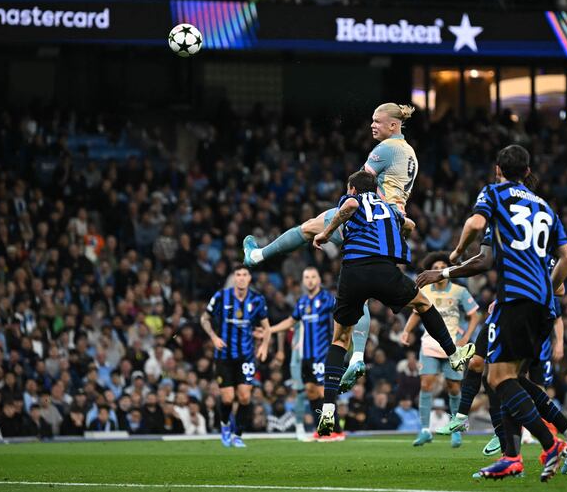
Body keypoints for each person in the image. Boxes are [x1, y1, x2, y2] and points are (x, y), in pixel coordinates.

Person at [243, 103, 420, 393]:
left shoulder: (386, 149)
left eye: (377, 121)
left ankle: (256, 256)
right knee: (361, 292)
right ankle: (359, 356)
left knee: (310, 227)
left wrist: (334, 225)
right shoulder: (410, 153)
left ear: (393, 126)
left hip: (370, 219)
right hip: (392, 229)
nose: (372, 126)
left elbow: (360, 186)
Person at [445, 145, 567, 481]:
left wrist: (458, 250)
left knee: (496, 377)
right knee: (513, 377)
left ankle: (551, 444)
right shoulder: (546, 206)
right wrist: (548, 286)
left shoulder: (495, 192)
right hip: (543, 305)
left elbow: (476, 224)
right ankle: (513, 457)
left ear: (497, 170)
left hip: (515, 299)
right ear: (528, 170)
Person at [310, 170, 475, 436]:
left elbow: (350, 205)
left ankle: (328, 408)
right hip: (386, 270)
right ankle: (453, 354)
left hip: (353, 270)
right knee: (423, 305)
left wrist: (326, 234)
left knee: (339, 339)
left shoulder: (352, 199)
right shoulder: (387, 207)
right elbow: (410, 226)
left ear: (352, 188)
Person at [401, 252, 479, 449]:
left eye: (441, 267)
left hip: (453, 346)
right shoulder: (425, 290)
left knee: (454, 387)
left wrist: (466, 337)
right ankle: (425, 430)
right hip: (429, 344)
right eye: (434, 267)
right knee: (426, 385)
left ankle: (456, 430)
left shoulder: (460, 291)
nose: (437, 270)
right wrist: (406, 331)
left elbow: (474, 315)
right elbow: (417, 312)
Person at [267, 267, 344, 441]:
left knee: (323, 392)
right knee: (310, 392)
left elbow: (341, 317)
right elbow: (291, 321)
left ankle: (335, 430)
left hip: (322, 354)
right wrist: (269, 330)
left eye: (313, 277)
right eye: (306, 277)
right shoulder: (302, 302)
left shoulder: (327, 299)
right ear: (303, 281)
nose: (310, 280)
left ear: (319, 280)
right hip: (306, 355)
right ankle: (322, 430)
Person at [200, 265, 271, 448]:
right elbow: (204, 319)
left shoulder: (257, 300)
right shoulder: (221, 296)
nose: (241, 278)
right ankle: (225, 426)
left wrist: (263, 345)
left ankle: (237, 435)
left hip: (246, 356)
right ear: (234, 278)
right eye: (237, 274)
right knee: (227, 398)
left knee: (245, 397)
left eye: (244, 275)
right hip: (223, 355)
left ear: (249, 279)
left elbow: (267, 327)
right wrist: (214, 337)